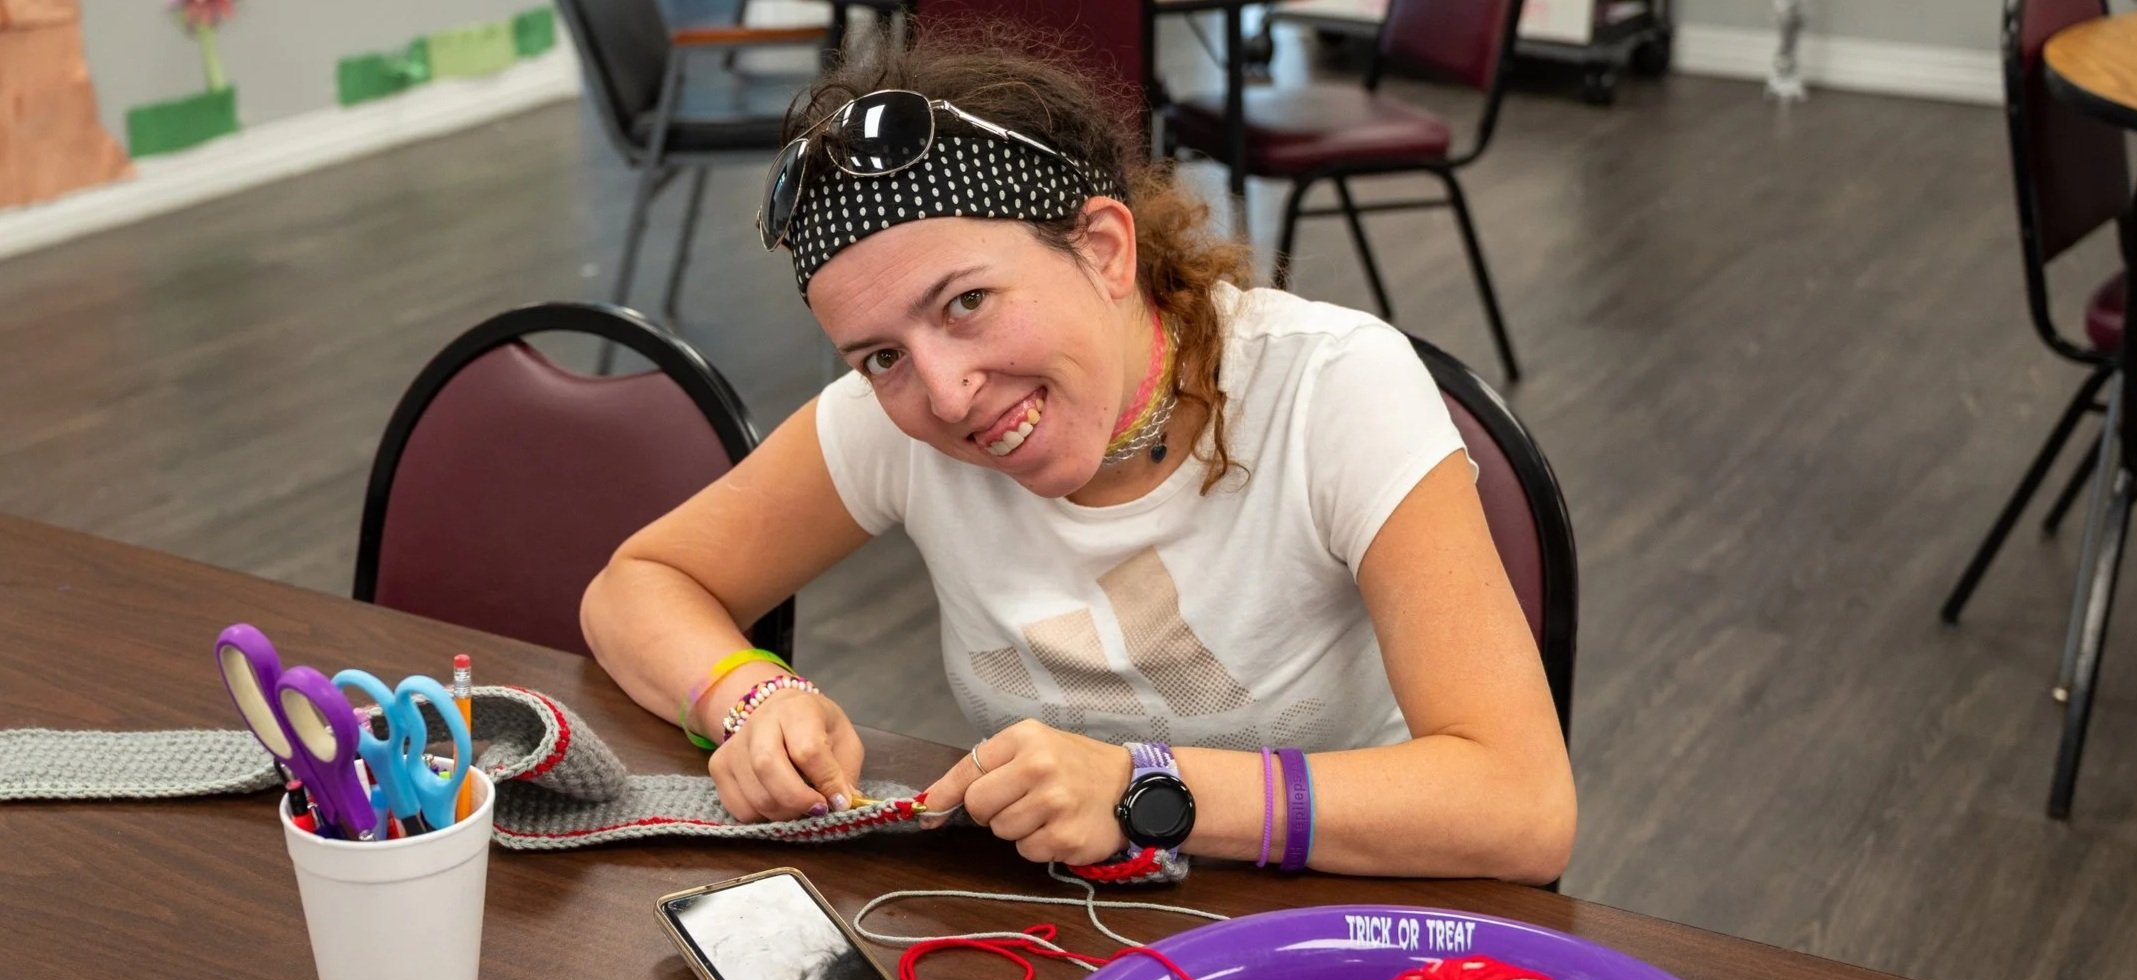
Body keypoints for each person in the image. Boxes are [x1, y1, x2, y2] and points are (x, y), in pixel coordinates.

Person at [580, 31, 1573, 883]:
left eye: (965, 302)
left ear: (1103, 247)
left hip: (1333, 921)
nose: (945, 392)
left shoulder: (1332, 388)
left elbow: (1519, 803)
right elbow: (640, 583)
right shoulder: (892, 423)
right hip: (1069, 926)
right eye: (880, 354)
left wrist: (1149, 788)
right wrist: (754, 693)